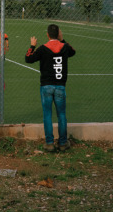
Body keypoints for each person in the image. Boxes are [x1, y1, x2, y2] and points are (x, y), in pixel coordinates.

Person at [25, 24, 76, 152]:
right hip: (60, 86)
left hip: (46, 86)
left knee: (47, 115)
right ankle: (63, 143)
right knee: (62, 115)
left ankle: (49, 143)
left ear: (47, 35)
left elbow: (28, 59)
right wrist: (62, 40)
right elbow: (73, 51)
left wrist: (32, 45)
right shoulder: (64, 47)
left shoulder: (43, 48)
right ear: (58, 34)